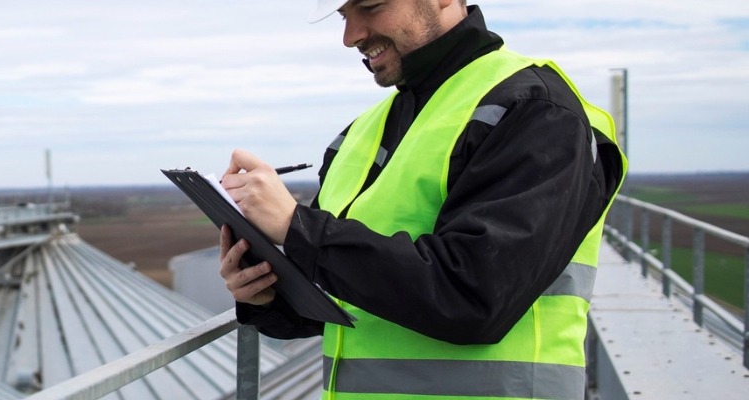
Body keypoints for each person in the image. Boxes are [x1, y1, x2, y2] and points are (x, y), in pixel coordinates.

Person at [217, 0, 626, 398]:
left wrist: (299, 229)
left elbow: (475, 298)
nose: (351, 36)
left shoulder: (534, 111)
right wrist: (269, 295)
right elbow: (351, 299)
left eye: (371, 7)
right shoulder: (360, 133)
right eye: (344, 16)